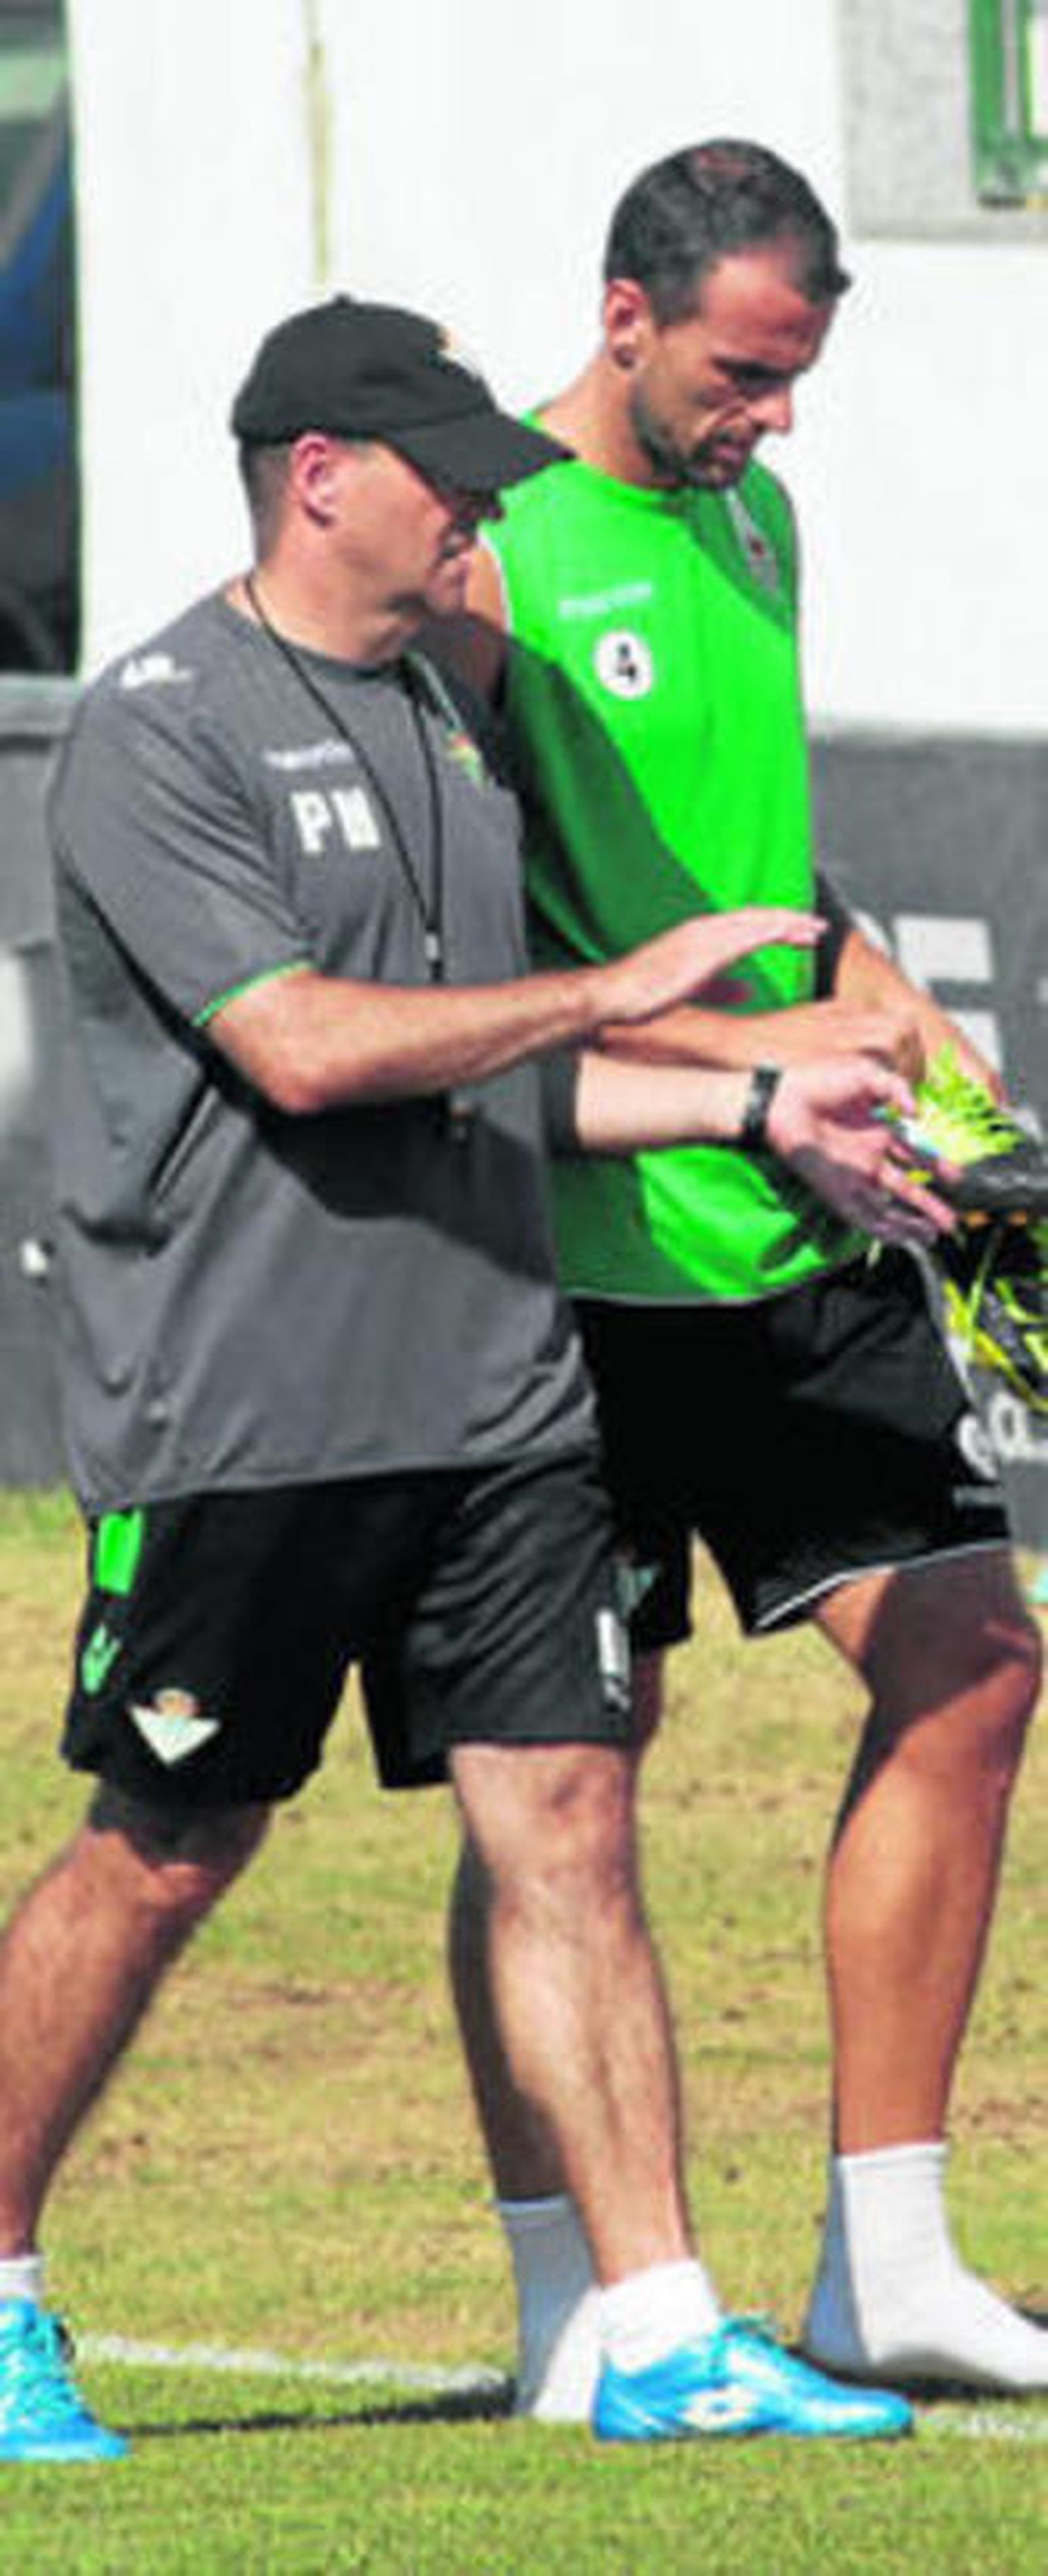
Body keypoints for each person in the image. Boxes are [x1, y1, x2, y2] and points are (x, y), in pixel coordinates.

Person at [0, 294, 941, 2463]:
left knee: (573, 1814)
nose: (480, 512)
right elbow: (312, 1048)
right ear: (319, 477)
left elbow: (509, 1083)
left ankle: (663, 2321)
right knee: (170, 1842)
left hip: (498, 1398)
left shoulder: (446, 715)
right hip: (245, 1414)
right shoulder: (161, 728)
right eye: (443, 475)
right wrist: (632, 988)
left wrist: (741, 1109)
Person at [439, 142, 1047, 2413]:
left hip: (798, 1230)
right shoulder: (487, 549)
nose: (774, 418)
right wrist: (754, 1053)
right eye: (743, 371)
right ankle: (569, 2298)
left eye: (796, 377)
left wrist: (907, 1034)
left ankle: (884, 2259)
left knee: (980, 1664)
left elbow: (761, 866)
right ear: (625, 315)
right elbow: (477, 965)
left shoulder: (750, 519)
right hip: (569, 1259)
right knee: (560, 1783)